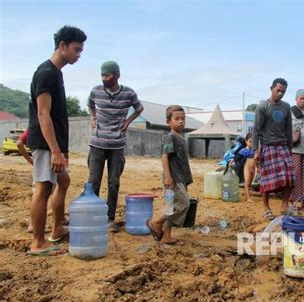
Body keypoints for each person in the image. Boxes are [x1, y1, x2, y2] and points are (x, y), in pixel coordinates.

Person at [26, 25, 86, 256]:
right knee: (43, 188)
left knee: (63, 182)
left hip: (55, 144)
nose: (79, 55)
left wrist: (63, 148)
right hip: (45, 144)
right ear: (62, 46)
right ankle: (38, 242)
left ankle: (57, 228)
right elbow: (43, 114)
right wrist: (55, 150)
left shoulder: (56, 73)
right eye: (76, 49)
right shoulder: (46, 73)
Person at [87, 61, 144, 232]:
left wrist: (127, 122)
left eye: (108, 75)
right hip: (97, 143)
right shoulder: (96, 91)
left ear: (117, 75)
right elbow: (90, 105)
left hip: (117, 144)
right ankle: (92, 216)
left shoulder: (129, 93)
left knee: (113, 183)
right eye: (102, 76)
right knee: (93, 181)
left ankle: (109, 218)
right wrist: (93, 118)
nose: (104, 79)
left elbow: (139, 109)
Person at [146, 105, 192, 245]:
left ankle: (166, 236)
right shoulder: (171, 137)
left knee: (172, 206)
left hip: (181, 179)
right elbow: (165, 156)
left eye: (183, 119)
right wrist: (168, 177)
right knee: (184, 204)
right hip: (173, 179)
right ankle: (156, 222)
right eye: (177, 118)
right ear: (168, 122)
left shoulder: (180, 138)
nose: (181, 121)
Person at [252, 78, 295, 220]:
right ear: (271, 88)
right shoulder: (262, 107)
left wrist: (289, 148)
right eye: (278, 90)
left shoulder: (286, 107)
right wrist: (256, 150)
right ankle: (266, 208)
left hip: (283, 146)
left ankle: (284, 205)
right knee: (267, 180)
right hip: (268, 147)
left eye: (283, 91)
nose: (280, 93)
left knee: (290, 177)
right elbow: (256, 130)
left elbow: (288, 129)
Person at [230, 132, 256, 202]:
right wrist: (232, 161)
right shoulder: (244, 150)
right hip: (246, 168)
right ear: (246, 141)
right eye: (250, 142)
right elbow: (237, 156)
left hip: (253, 169)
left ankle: (247, 196)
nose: (251, 143)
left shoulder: (254, 151)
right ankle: (248, 198)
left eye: (253, 142)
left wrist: (259, 167)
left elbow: (258, 160)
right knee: (247, 183)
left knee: (250, 184)